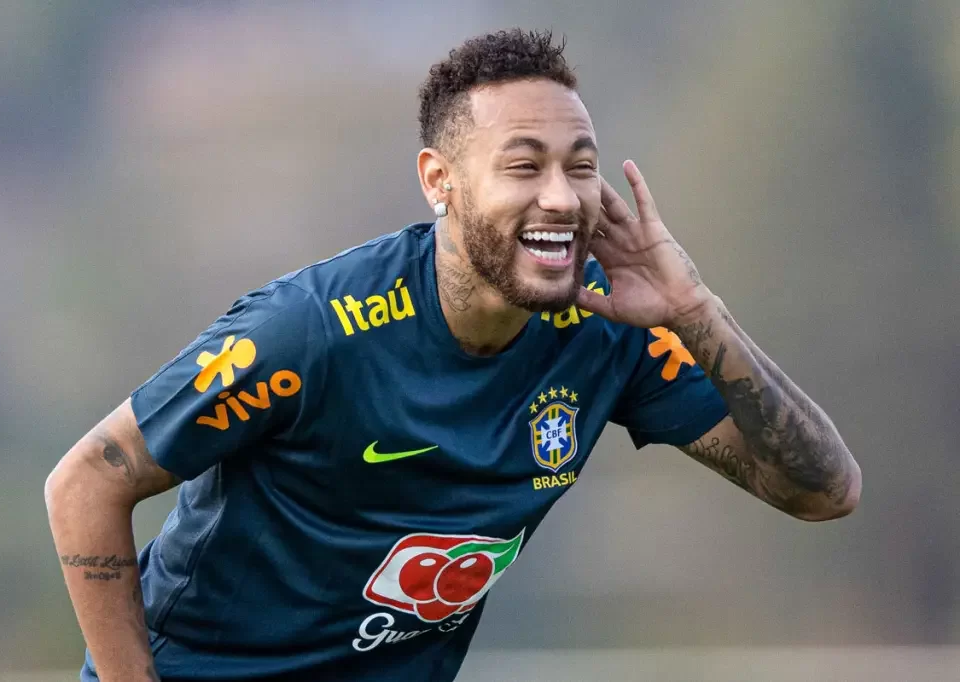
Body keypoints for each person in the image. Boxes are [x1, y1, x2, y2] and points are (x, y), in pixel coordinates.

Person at [44, 28, 861, 682]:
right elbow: (85, 483)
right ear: (440, 181)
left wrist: (696, 312)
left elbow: (824, 492)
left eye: (581, 167)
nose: (560, 196)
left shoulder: (611, 327)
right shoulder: (308, 332)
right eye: (524, 166)